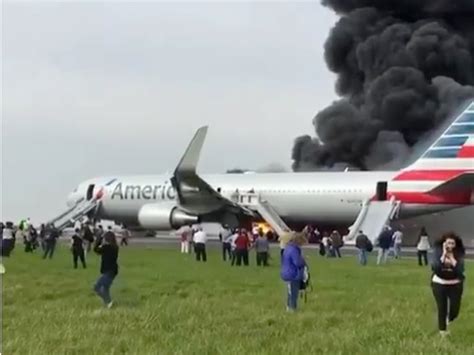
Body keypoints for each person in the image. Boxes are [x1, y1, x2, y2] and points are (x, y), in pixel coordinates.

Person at [431, 232, 465, 336]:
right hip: (439, 283)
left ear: (456, 245)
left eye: (452, 243)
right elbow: (435, 268)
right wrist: (443, 255)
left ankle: (449, 319)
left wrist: (452, 258)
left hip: (455, 284)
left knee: (455, 309)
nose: (450, 246)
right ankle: (442, 331)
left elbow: (460, 270)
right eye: (448, 243)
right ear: (443, 244)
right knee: (442, 307)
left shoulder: (459, 253)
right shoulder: (438, 252)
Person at [280, 232, 307, 312]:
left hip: (286, 271)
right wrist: (303, 261)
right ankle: (292, 308)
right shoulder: (294, 250)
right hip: (293, 274)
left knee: (290, 291)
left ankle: (289, 307)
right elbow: (297, 262)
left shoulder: (288, 248)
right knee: (293, 292)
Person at [93, 228, 119, 308]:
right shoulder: (115, 247)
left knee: (97, 287)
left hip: (108, 271)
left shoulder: (106, 247)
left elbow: (95, 249)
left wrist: (99, 239)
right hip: (113, 270)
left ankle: (109, 302)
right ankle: (108, 304)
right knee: (106, 288)